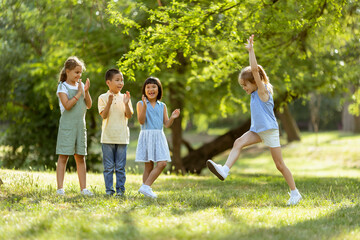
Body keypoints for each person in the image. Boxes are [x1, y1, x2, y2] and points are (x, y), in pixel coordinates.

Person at [207, 35, 302, 206]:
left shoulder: (262, 92)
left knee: (279, 165)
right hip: (257, 131)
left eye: (245, 85)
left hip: (270, 131)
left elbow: (255, 70)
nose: (244, 88)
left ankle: (295, 193)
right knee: (238, 142)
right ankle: (224, 170)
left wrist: (251, 51)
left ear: (254, 82)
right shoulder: (252, 94)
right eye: (242, 85)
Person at [135, 77, 180, 198]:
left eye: (154, 87)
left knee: (162, 163)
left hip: (159, 136)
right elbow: (141, 121)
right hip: (146, 135)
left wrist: (172, 117)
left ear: (159, 89)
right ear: (144, 90)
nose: (151, 89)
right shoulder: (140, 104)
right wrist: (145, 106)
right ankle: (146, 191)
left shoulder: (162, 105)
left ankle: (145, 187)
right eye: (148, 87)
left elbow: (166, 124)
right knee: (148, 166)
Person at [55, 56, 93, 196]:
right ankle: (60, 189)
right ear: (67, 71)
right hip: (67, 126)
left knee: (81, 157)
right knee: (63, 156)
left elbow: (89, 105)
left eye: (80, 73)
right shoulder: (62, 86)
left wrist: (86, 91)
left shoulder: (81, 86)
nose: (79, 75)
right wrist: (78, 93)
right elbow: (67, 105)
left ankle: (83, 189)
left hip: (80, 127)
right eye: (76, 72)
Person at [98, 69, 133, 196]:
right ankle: (109, 190)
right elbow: (104, 115)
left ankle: (120, 190)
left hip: (122, 138)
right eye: (117, 80)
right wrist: (109, 102)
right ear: (108, 82)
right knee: (108, 167)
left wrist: (127, 104)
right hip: (107, 138)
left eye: (122, 80)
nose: (121, 83)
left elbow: (129, 115)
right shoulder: (102, 97)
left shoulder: (125, 97)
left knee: (120, 167)